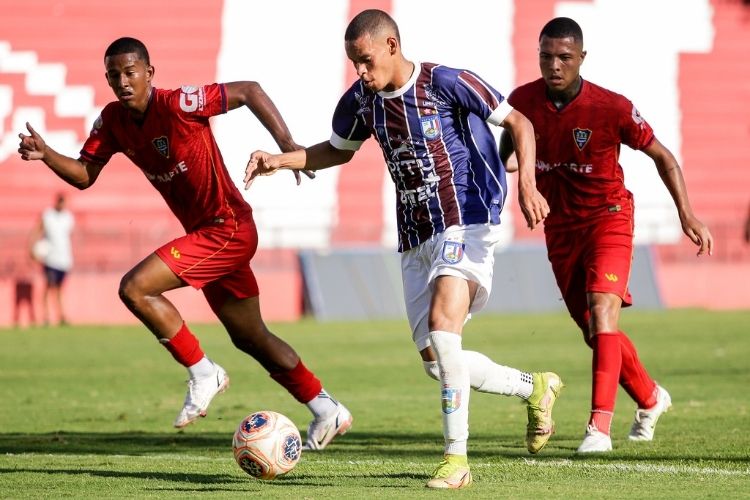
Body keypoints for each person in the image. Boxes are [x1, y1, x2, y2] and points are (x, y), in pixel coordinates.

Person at [245, 9, 562, 489]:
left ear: (392, 46)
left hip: (468, 219)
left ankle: (456, 462)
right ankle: (534, 386)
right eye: (355, 64)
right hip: (415, 237)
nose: (361, 72)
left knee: (443, 327)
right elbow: (338, 149)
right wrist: (281, 159)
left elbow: (520, 123)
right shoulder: (361, 101)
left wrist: (528, 186)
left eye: (366, 61)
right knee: (438, 361)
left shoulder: (446, 82)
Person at [17, 37, 351, 450]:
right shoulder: (113, 121)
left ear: (149, 73)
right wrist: (47, 153)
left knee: (135, 287)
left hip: (226, 227)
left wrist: (287, 146)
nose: (123, 81)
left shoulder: (180, 103)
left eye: (130, 72)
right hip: (209, 237)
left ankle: (203, 370)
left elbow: (249, 90)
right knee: (251, 337)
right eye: (114, 75)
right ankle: (325, 407)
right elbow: (85, 175)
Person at [499, 17, 713, 453]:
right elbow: (509, 145)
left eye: (564, 57)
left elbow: (663, 156)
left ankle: (599, 428)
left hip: (608, 217)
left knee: (603, 314)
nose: (554, 65)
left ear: (581, 58)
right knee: (595, 331)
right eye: (546, 56)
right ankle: (651, 398)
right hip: (560, 226)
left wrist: (686, 214)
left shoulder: (611, 107)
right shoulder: (522, 101)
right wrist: (512, 167)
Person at [29, 193, 74, 326]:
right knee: (49, 286)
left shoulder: (68, 217)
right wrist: (32, 248)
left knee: (60, 288)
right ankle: (46, 316)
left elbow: (68, 237)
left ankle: (62, 316)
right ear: (57, 202)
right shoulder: (47, 215)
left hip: (64, 259)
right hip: (51, 258)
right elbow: (36, 231)